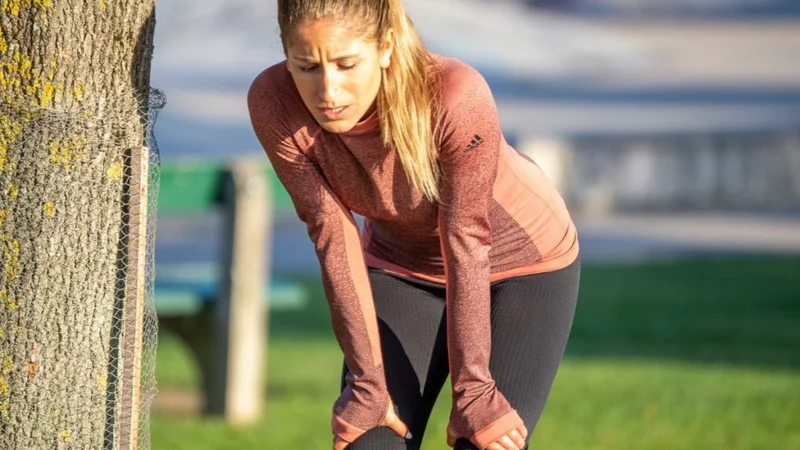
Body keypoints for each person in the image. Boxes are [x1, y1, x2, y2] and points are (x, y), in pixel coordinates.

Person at [247, 0, 581, 448]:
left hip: (520, 265)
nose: (328, 90)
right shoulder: (273, 102)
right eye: (306, 66)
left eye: (347, 64)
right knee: (371, 440)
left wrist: (475, 389)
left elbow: (467, 239)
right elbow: (330, 232)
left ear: (385, 47)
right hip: (400, 267)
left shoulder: (454, 95)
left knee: (484, 442)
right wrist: (367, 385)